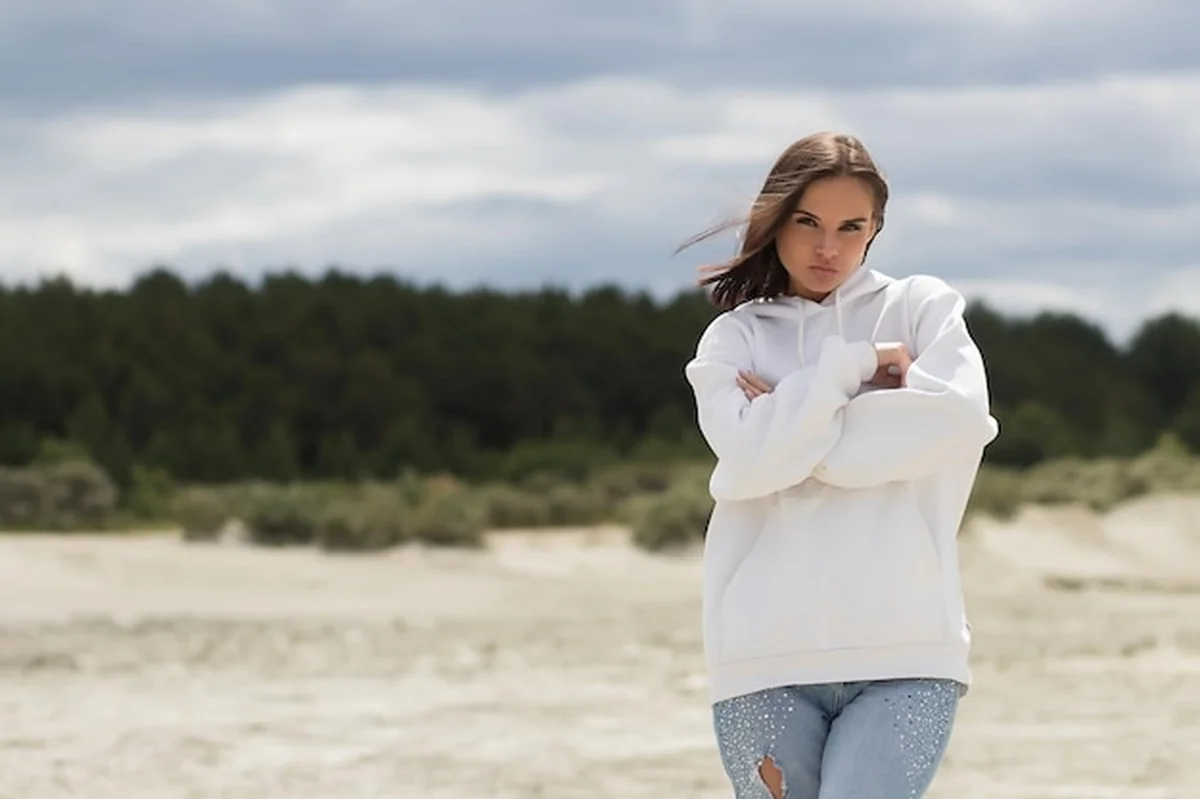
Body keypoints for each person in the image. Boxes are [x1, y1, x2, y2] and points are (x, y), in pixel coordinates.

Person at [679, 131, 999, 799]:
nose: (828, 247)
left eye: (851, 227)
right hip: (762, 657)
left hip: (908, 650)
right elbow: (746, 455)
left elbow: (961, 421)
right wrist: (854, 369)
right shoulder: (735, 336)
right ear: (777, 219)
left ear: (875, 227)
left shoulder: (922, 310)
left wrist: (792, 433)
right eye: (808, 223)